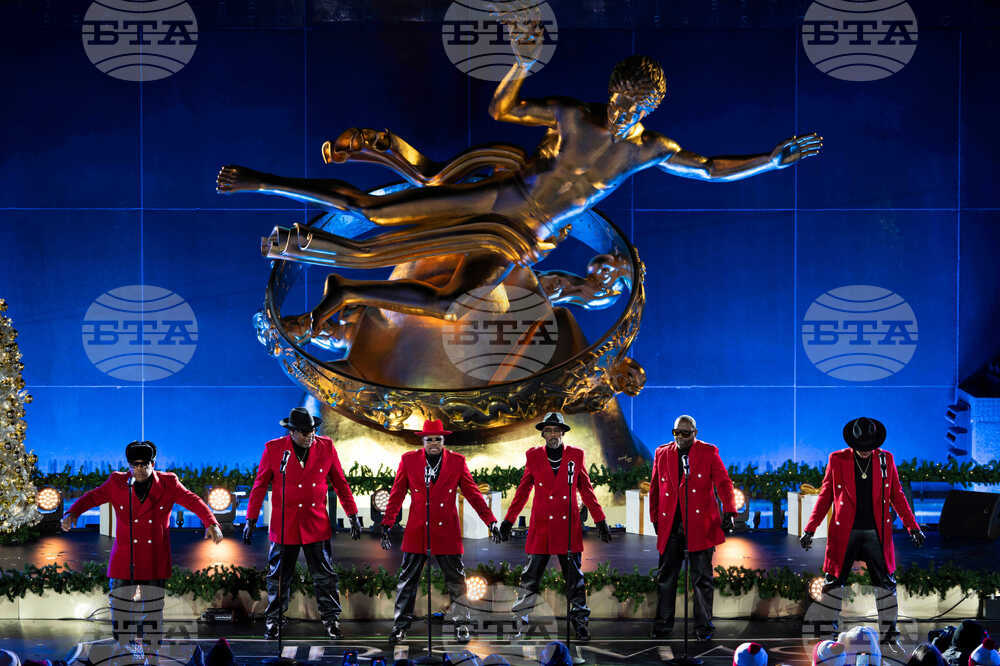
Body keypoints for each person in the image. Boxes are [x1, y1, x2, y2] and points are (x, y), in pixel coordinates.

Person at [217, 20, 821, 329]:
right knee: (377, 211)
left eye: (634, 108)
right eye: (618, 99)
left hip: (524, 237)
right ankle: (262, 180)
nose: (621, 112)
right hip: (499, 198)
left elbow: (712, 170)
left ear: (649, 110)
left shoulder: (652, 149)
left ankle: (346, 292)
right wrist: (520, 65)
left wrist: (770, 158)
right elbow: (503, 111)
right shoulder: (572, 115)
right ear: (610, 91)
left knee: (454, 303)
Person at [60, 440, 223, 659]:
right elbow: (92, 497)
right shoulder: (117, 482)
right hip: (124, 555)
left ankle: (151, 651)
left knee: (153, 608)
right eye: (134, 465)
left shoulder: (168, 482)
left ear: (153, 463)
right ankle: (122, 649)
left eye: (144, 464)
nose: (139, 469)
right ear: (128, 465)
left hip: (154, 556)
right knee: (119, 605)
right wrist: (72, 513)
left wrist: (211, 523)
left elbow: (192, 500)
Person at [800, 417, 925, 644]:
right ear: (853, 444)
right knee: (833, 582)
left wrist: (912, 527)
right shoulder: (837, 459)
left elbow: (897, 495)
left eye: (869, 448)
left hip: (876, 533)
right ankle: (829, 634)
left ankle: (888, 636)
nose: (865, 452)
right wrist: (810, 528)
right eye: (861, 448)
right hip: (845, 531)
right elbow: (825, 495)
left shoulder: (886, 459)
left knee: (886, 583)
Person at [243, 406, 362, 640]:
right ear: (292, 432)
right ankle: (274, 620)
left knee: (325, 575)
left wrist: (352, 514)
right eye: (305, 432)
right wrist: (251, 518)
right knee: (279, 576)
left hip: (315, 523)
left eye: (313, 431)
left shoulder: (326, 446)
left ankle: (331, 620)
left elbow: (340, 482)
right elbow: (259, 486)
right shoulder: (274, 449)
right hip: (285, 524)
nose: (311, 436)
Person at [379, 419, 502, 645]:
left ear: (443, 440)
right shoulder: (408, 460)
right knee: (407, 581)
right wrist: (387, 523)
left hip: (447, 530)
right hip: (418, 530)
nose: (434, 443)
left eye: (438, 439)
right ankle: (400, 626)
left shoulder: (457, 461)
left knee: (456, 580)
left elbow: (473, 494)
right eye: (430, 439)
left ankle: (461, 623)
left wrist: (490, 521)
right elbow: (396, 494)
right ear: (423, 440)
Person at [499, 412, 611, 642]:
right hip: (541, 527)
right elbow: (522, 492)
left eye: (556, 430)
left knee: (575, 581)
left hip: (567, 527)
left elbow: (586, 490)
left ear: (563, 432)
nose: (552, 434)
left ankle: (580, 623)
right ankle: (521, 622)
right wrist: (509, 520)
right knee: (529, 578)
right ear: (543, 434)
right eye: (548, 430)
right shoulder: (533, 456)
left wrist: (600, 520)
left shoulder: (576, 455)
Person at [648, 415, 737, 640]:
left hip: (700, 526)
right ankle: (663, 625)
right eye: (676, 432)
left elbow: (723, 482)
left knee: (702, 580)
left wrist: (729, 510)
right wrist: (655, 518)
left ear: (695, 433)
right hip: (671, 526)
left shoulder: (708, 452)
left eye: (685, 433)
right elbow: (655, 488)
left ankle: (703, 627)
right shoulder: (662, 453)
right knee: (666, 577)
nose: (679, 437)